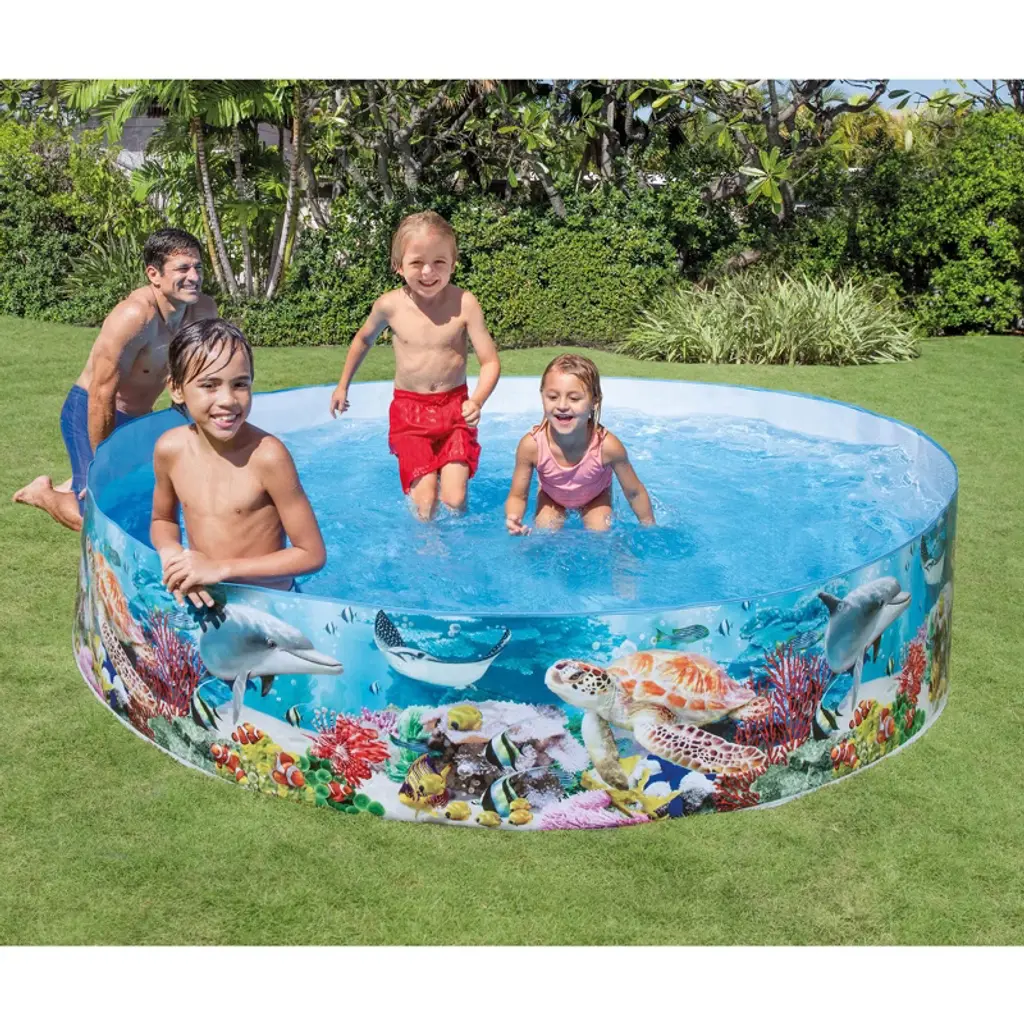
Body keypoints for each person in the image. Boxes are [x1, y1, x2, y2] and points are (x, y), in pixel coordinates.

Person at [12, 228, 217, 531]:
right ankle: (42, 493)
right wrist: (101, 464)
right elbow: (101, 394)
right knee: (97, 518)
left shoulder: (203, 311)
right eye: (183, 268)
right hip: (90, 412)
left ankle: (76, 481)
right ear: (154, 274)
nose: (194, 276)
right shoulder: (134, 316)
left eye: (198, 267)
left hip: (139, 418)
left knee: (150, 499)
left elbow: (202, 371)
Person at [328, 211, 501, 520]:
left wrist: (477, 400)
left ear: (453, 263)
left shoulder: (465, 304)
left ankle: (456, 543)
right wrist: (343, 385)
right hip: (410, 412)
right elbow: (363, 340)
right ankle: (427, 541)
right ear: (399, 265)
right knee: (426, 502)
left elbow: (490, 362)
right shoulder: (390, 306)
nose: (428, 271)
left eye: (439, 262)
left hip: (455, 409)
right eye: (417, 262)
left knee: (455, 499)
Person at [151, 319, 326, 607]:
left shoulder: (267, 457)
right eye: (209, 385)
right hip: (207, 595)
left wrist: (220, 569)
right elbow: (163, 520)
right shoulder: (170, 450)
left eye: (240, 384)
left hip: (269, 604)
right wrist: (171, 553)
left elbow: (312, 553)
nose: (228, 400)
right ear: (177, 388)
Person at [505, 354, 656, 534]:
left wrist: (650, 528)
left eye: (574, 398)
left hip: (595, 498)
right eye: (552, 397)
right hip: (551, 497)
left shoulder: (607, 447)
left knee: (600, 532)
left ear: (594, 401)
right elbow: (517, 495)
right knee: (544, 532)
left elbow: (634, 492)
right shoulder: (532, 446)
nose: (562, 405)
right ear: (542, 395)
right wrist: (514, 518)